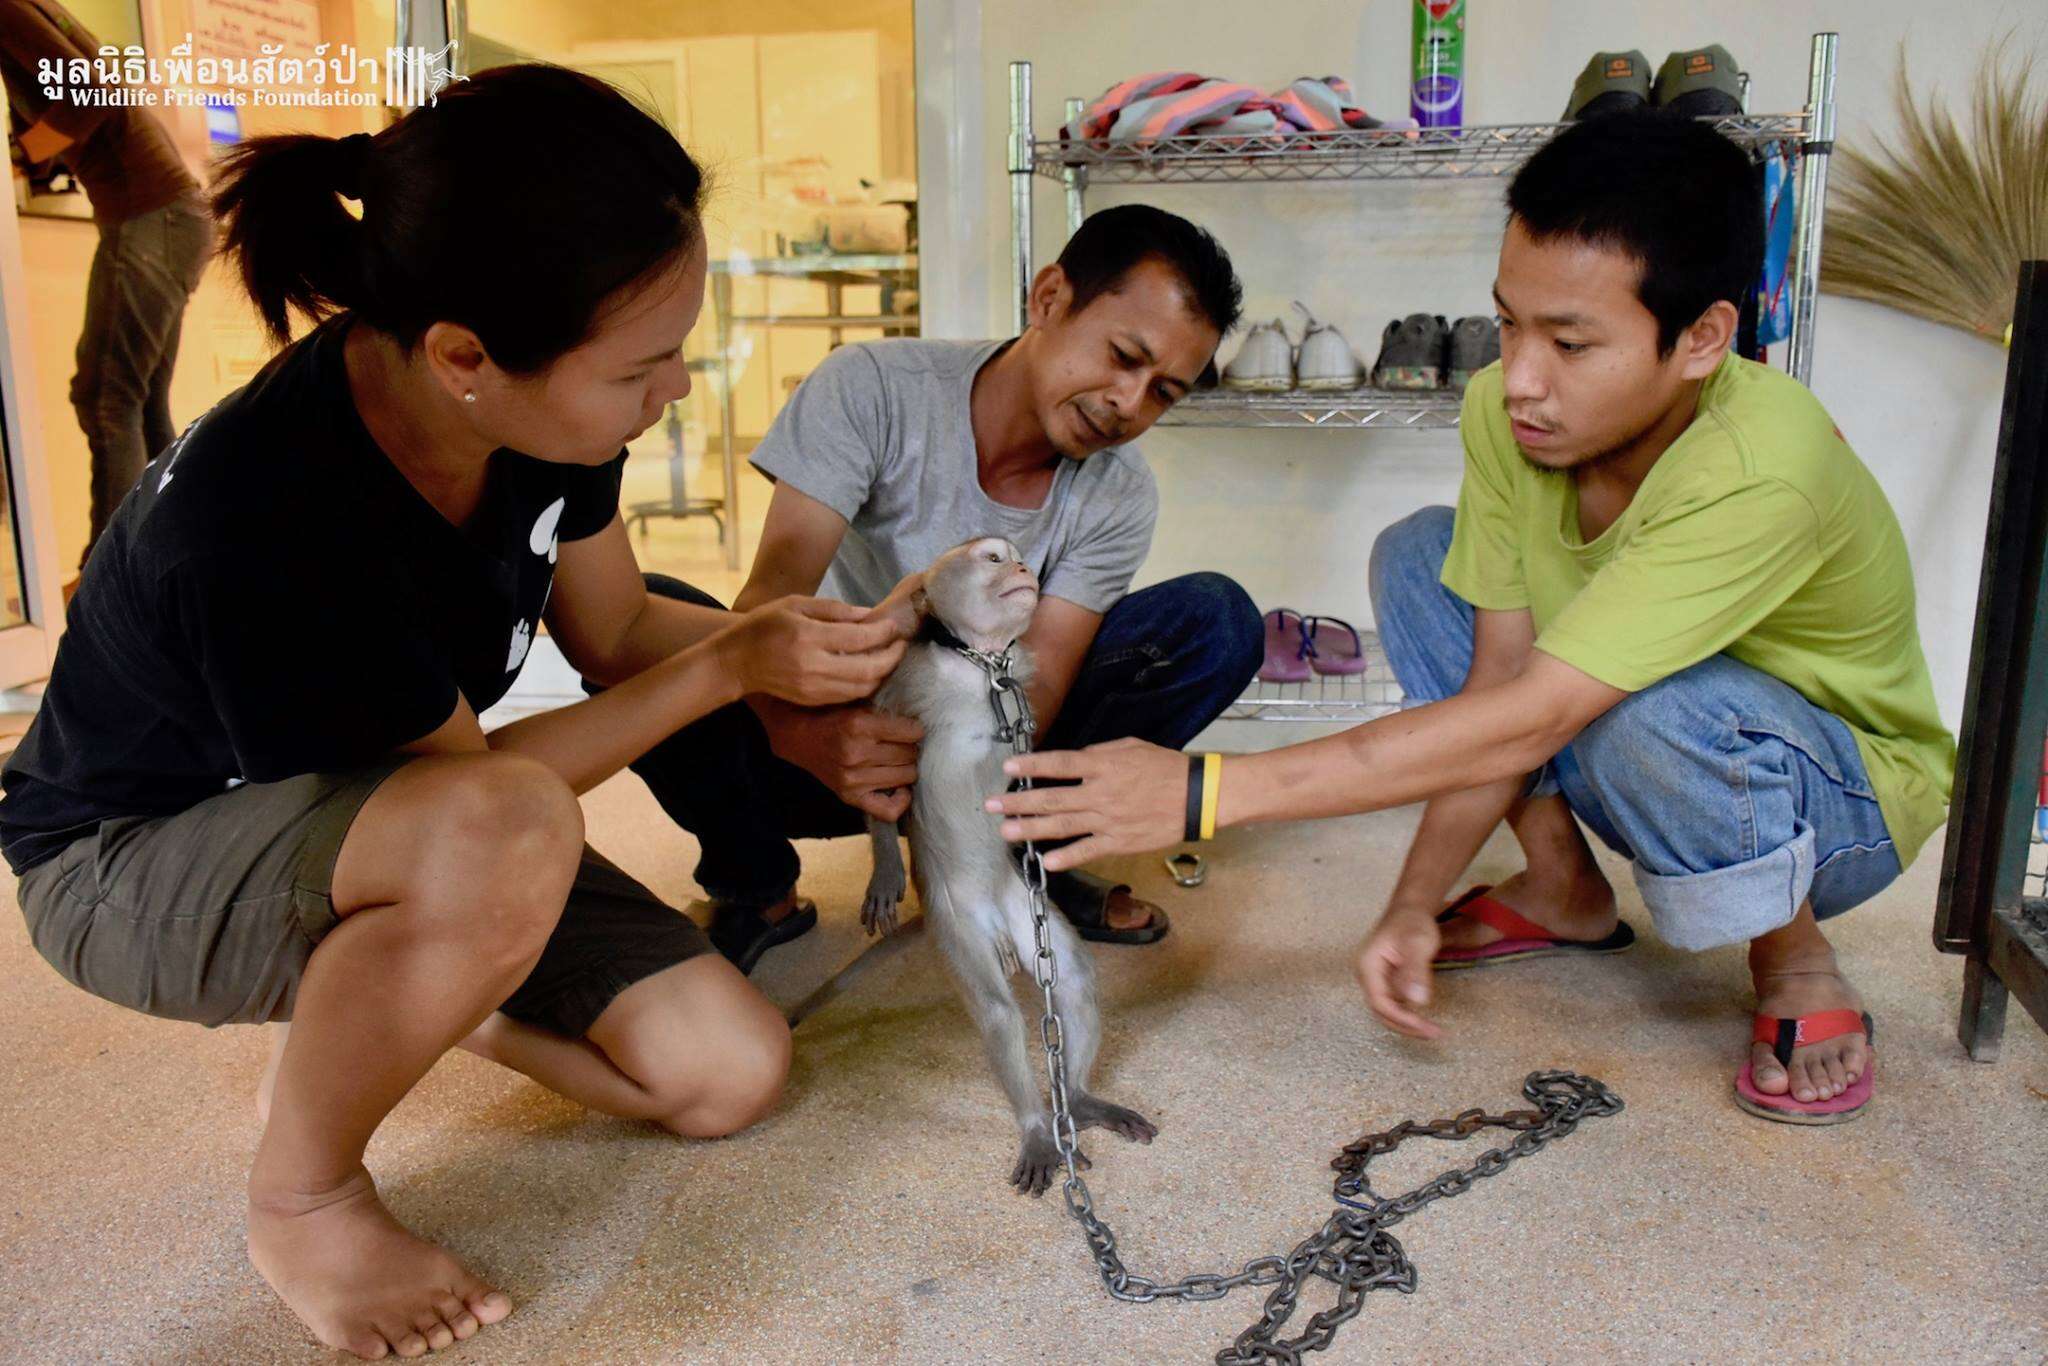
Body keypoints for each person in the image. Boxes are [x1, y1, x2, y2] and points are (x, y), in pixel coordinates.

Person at [0, 66, 911, 1359]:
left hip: (404, 819)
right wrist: (730, 671)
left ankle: (419, 990)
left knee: (725, 1071)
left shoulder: (538, 411)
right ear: (464, 358)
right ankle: (302, 1194)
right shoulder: (273, 518)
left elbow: (617, 632)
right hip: (127, 855)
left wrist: (824, 667)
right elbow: (486, 785)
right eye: (648, 365)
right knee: (503, 832)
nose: (679, 393)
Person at [988, 111, 1956, 1126]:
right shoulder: (1504, 409)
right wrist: (1409, 902)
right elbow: (1498, 685)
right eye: (1509, 323)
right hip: (1632, 735)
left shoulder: (1765, 468)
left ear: (1701, 338)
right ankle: (1560, 889)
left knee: (1636, 703)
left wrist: (1204, 791)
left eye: (1571, 343)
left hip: (1834, 802)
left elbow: (1536, 715)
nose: (1520, 377)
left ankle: (1791, 951)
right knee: (1417, 557)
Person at [602, 203, 1264, 971]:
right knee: (644, 616)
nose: (1129, 402)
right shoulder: (875, 387)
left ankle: (1022, 861)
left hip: (977, 753)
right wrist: (803, 734)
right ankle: (757, 887)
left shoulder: (1120, 492)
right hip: (822, 736)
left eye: (1163, 393)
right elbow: (767, 613)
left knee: (1214, 620)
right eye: (1123, 355)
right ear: (1049, 298)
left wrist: (948, 810)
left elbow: (1037, 693)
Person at [0, 0, 214, 578]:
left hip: (151, 216)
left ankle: (111, 579)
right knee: (137, 402)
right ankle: (173, 564)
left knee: (106, 397)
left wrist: (18, 155)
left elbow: (88, 94)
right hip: (169, 216)